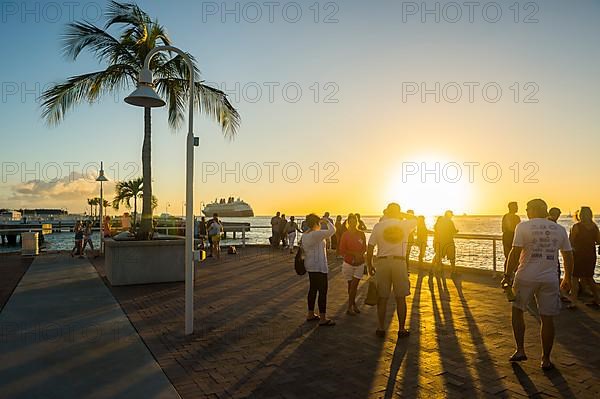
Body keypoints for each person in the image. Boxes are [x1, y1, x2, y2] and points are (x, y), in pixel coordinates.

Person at [503, 199, 573, 370]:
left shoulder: (523, 227)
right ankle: (546, 359)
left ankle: (520, 350)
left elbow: (515, 252)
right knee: (547, 319)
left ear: (534, 210)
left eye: (527, 208)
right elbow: (568, 255)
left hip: (525, 277)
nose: (526, 211)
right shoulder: (559, 229)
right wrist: (567, 278)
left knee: (518, 311)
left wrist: (507, 275)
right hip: (550, 279)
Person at [366, 203, 417, 338]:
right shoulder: (405, 225)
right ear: (398, 212)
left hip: (382, 262)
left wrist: (370, 265)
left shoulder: (378, 226)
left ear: (387, 211)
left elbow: (370, 247)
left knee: (382, 297)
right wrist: (402, 214)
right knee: (400, 298)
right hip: (399, 262)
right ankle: (401, 329)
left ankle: (381, 328)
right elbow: (416, 219)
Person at [302, 213, 336, 326]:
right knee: (322, 291)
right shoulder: (315, 234)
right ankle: (323, 318)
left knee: (312, 290)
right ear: (316, 223)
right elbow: (332, 231)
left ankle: (310, 314)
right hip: (319, 267)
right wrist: (327, 221)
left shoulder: (305, 235)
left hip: (310, 265)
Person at [569, 206, 600, 307]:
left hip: (578, 255)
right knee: (589, 278)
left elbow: (571, 242)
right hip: (590, 255)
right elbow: (599, 241)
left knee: (574, 278)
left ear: (579, 215)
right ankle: (597, 299)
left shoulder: (577, 226)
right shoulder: (594, 227)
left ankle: (574, 301)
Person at [338, 214, 366, 315]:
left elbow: (364, 247)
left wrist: (360, 255)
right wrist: (354, 254)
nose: (353, 223)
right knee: (350, 286)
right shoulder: (345, 234)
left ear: (357, 222)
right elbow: (342, 250)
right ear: (348, 222)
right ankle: (353, 304)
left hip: (359, 263)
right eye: (351, 221)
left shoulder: (361, 234)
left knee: (354, 286)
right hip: (348, 263)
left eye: (355, 221)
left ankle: (349, 307)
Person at [433, 210, 459, 278]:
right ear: (449, 215)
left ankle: (438, 270)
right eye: (451, 215)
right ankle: (453, 272)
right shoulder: (449, 222)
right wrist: (456, 231)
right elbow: (453, 231)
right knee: (452, 257)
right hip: (449, 241)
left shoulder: (439, 222)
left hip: (440, 241)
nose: (452, 216)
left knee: (439, 256)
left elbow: (436, 231)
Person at [502, 202, 521, 272]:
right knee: (514, 257)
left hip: (506, 237)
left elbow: (503, 229)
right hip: (511, 237)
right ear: (511, 207)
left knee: (508, 257)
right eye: (515, 206)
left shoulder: (505, 216)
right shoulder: (515, 217)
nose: (517, 208)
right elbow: (517, 229)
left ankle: (507, 274)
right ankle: (512, 275)